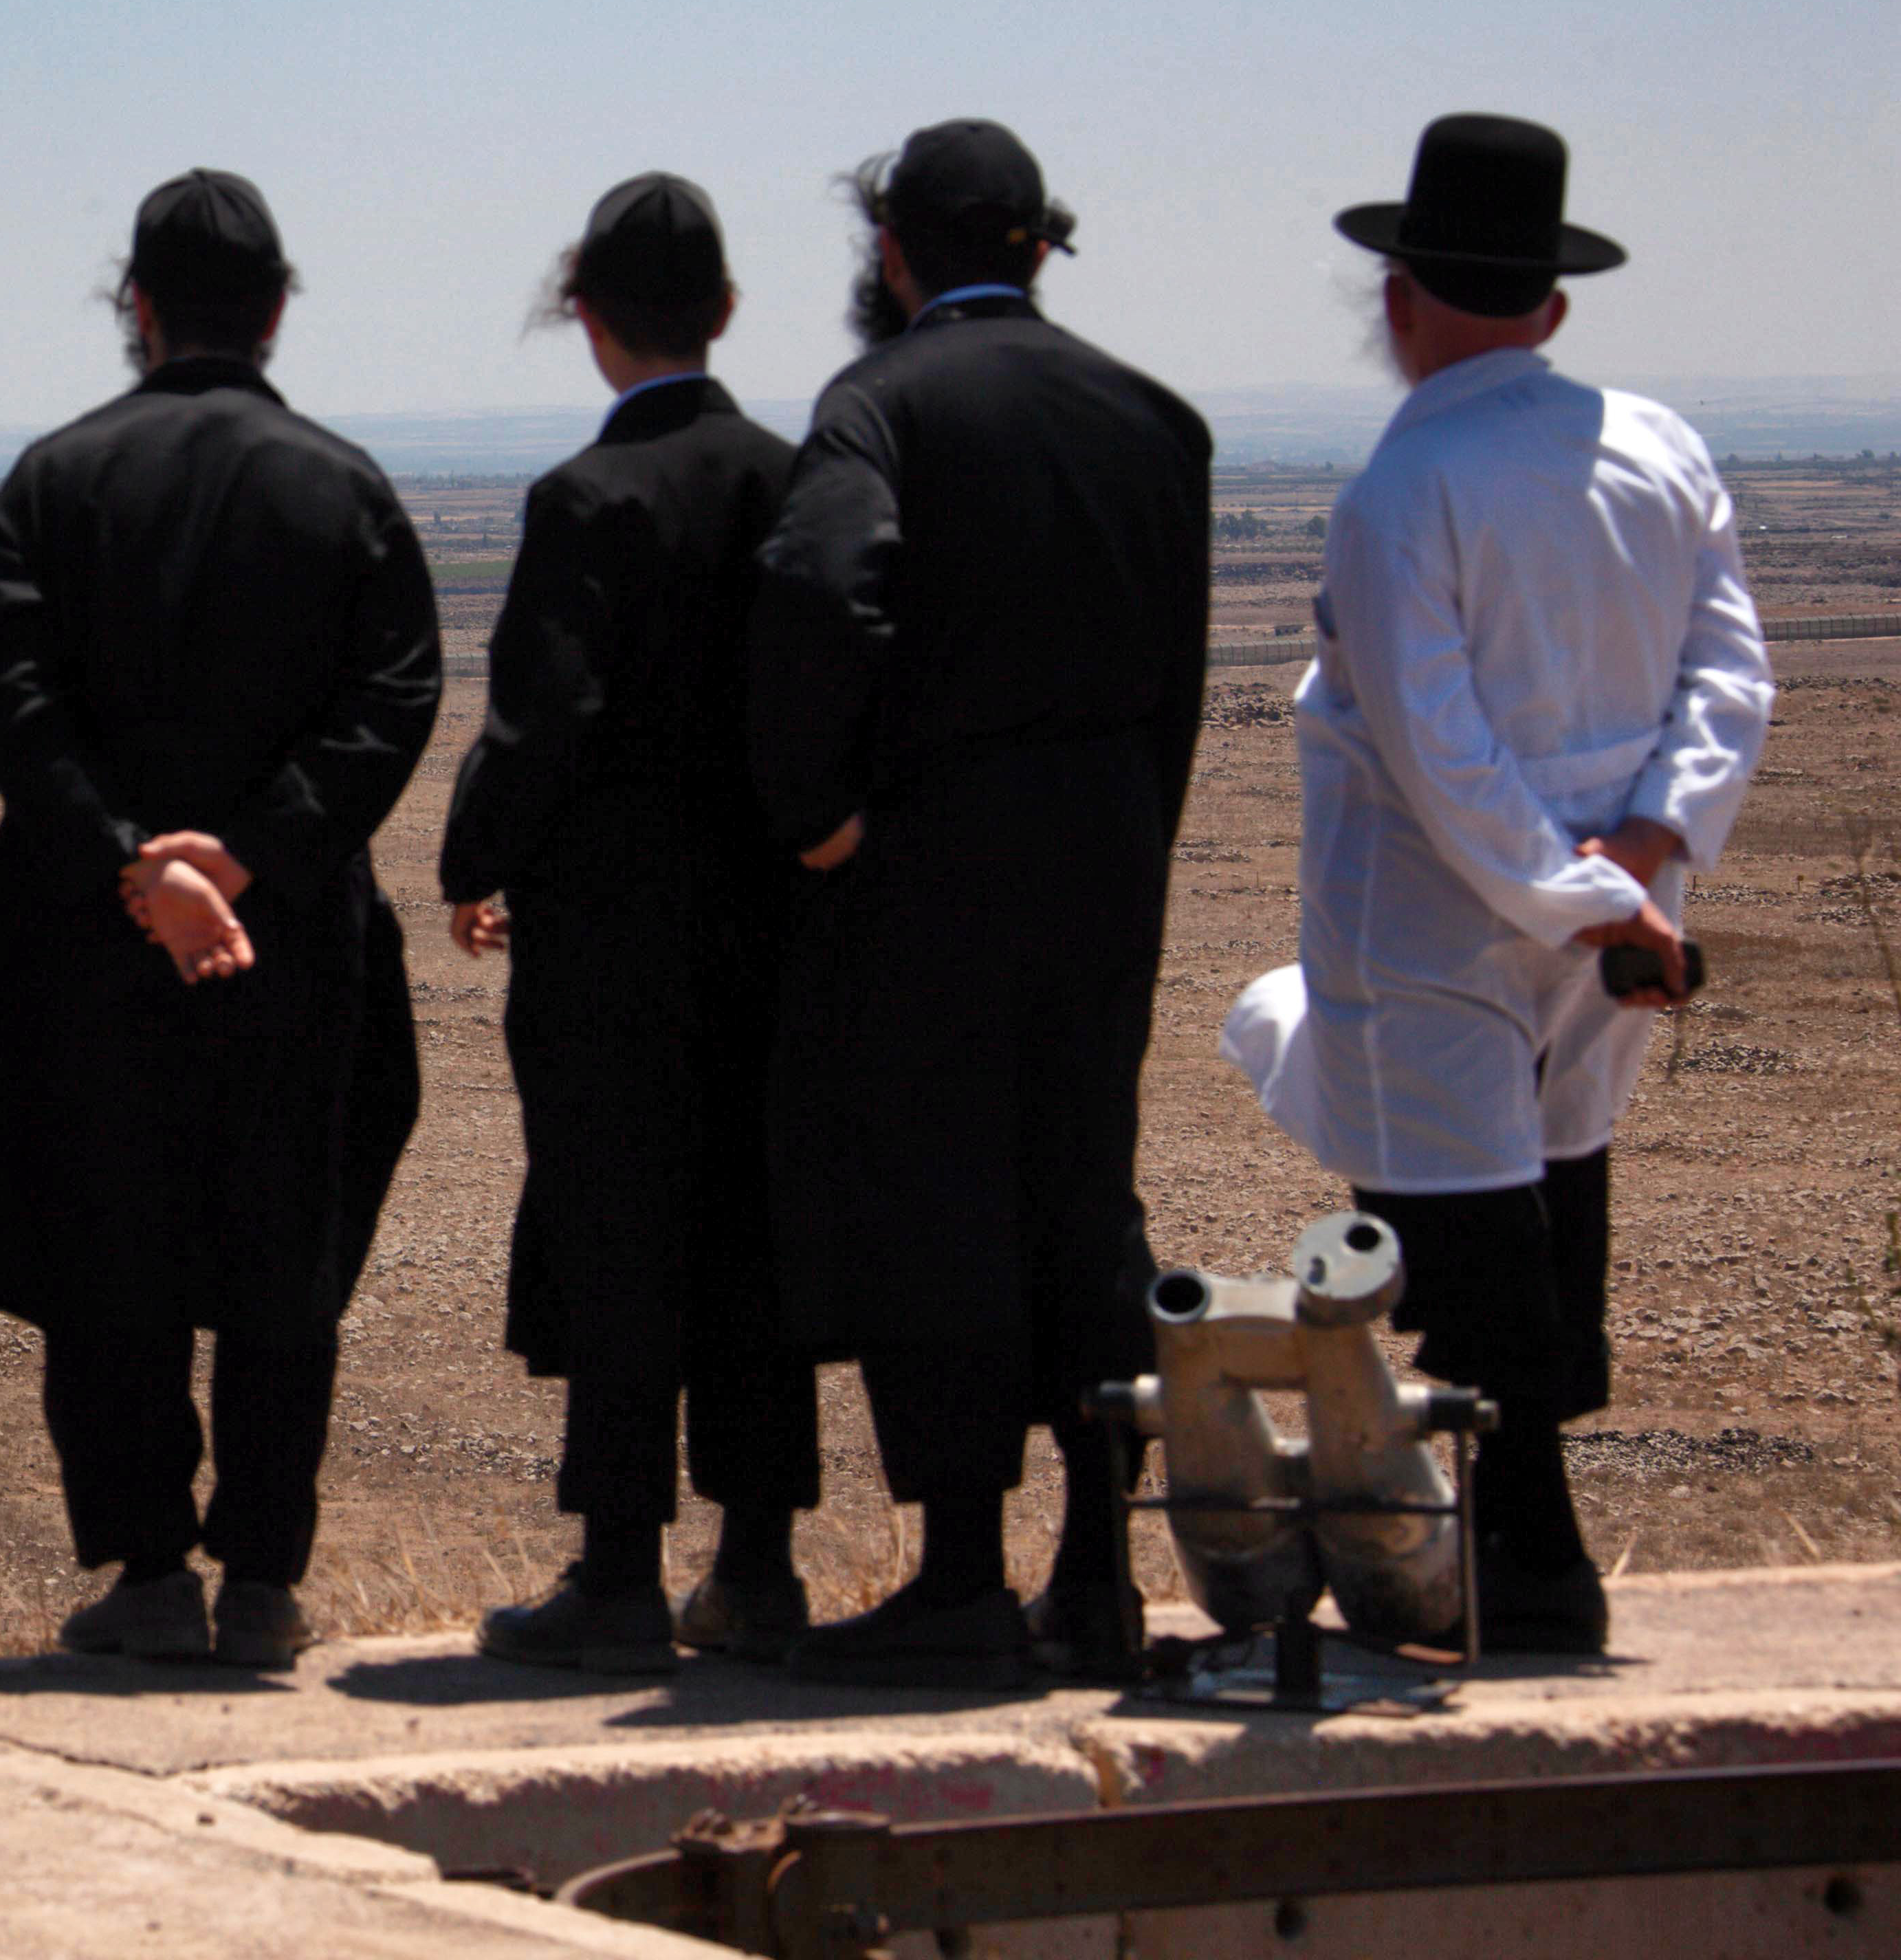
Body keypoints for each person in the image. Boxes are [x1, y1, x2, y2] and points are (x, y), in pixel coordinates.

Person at [1221, 113, 1769, 1653]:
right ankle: (1516, 1548)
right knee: (1562, 1183)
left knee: (1461, 1232)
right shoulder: (1661, 449)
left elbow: (1437, 750)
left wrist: (1579, 890)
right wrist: (1648, 857)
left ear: (1397, 298)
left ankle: (1524, 1563)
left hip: (1441, 915)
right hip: (1612, 912)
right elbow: (1730, 672)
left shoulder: (1406, 494)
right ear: (1555, 302)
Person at [0, 168, 441, 1672]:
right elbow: (394, 696)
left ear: (135, 309)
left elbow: (13, 703)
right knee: (284, 1241)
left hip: (88, 940)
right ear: (278, 311)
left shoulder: (48, 483)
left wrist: (136, 868)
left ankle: (151, 1569)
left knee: (110, 1239)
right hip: (290, 942)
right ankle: (266, 1580)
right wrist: (260, 855)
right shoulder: (345, 488)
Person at [749, 119, 1212, 1688]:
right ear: (1038, 247)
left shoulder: (877, 404)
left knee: (936, 1189)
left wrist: (817, 812)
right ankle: (1099, 1571)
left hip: (934, 858)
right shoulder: (1157, 418)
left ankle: (956, 1574)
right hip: (1107, 852)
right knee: (1088, 1185)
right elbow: (1181, 675)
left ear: (893, 253)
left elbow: (821, 587)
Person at [444, 175, 820, 1675]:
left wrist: (479, 858)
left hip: (610, 941)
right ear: (726, 310)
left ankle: (615, 1573)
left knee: (616, 1229)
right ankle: (764, 1565)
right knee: (755, 1227)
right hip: (779, 930)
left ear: (585, 319)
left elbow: (545, 721)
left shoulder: (583, 502)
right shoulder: (803, 481)